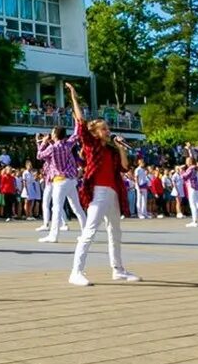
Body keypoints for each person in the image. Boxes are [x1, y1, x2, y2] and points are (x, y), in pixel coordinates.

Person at [65, 84, 136, 287]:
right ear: (95, 133)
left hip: (113, 192)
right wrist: (74, 97)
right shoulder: (91, 145)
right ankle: (76, 272)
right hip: (99, 192)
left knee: (115, 231)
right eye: (104, 128)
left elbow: (124, 167)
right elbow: (80, 121)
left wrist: (122, 148)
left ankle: (118, 269)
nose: (108, 130)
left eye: (108, 127)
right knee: (90, 231)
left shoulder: (113, 150)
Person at [36, 124, 81, 241]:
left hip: (59, 181)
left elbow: (39, 155)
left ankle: (53, 235)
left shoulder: (52, 148)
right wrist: (77, 122)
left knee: (56, 208)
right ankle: (87, 231)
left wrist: (42, 143)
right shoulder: (68, 144)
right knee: (77, 208)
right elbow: (76, 135)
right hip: (71, 179)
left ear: (55, 134)